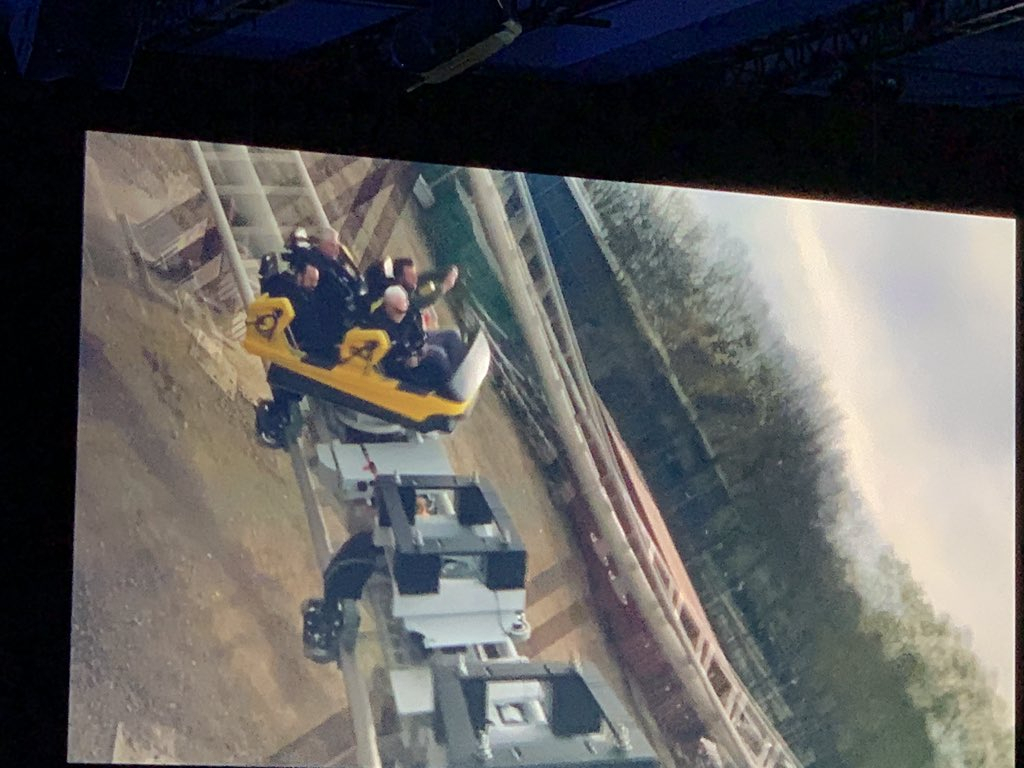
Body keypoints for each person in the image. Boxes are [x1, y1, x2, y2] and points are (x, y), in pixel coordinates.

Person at [368, 285, 454, 397]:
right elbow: (391, 353)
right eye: (399, 311)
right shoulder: (380, 325)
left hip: (415, 348)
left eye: (405, 308)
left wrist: (421, 343)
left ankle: (458, 377)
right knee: (437, 359)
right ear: (388, 307)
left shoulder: (406, 310)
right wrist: (413, 355)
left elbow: (415, 322)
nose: (403, 314)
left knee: (450, 337)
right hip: (399, 366)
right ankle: (447, 393)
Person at [303, 226, 368, 336]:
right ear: (322, 244)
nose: (337, 250)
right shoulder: (315, 260)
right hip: (324, 314)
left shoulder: (335, 263)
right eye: (332, 245)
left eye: (338, 245)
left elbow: (352, 280)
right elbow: (335, 289)